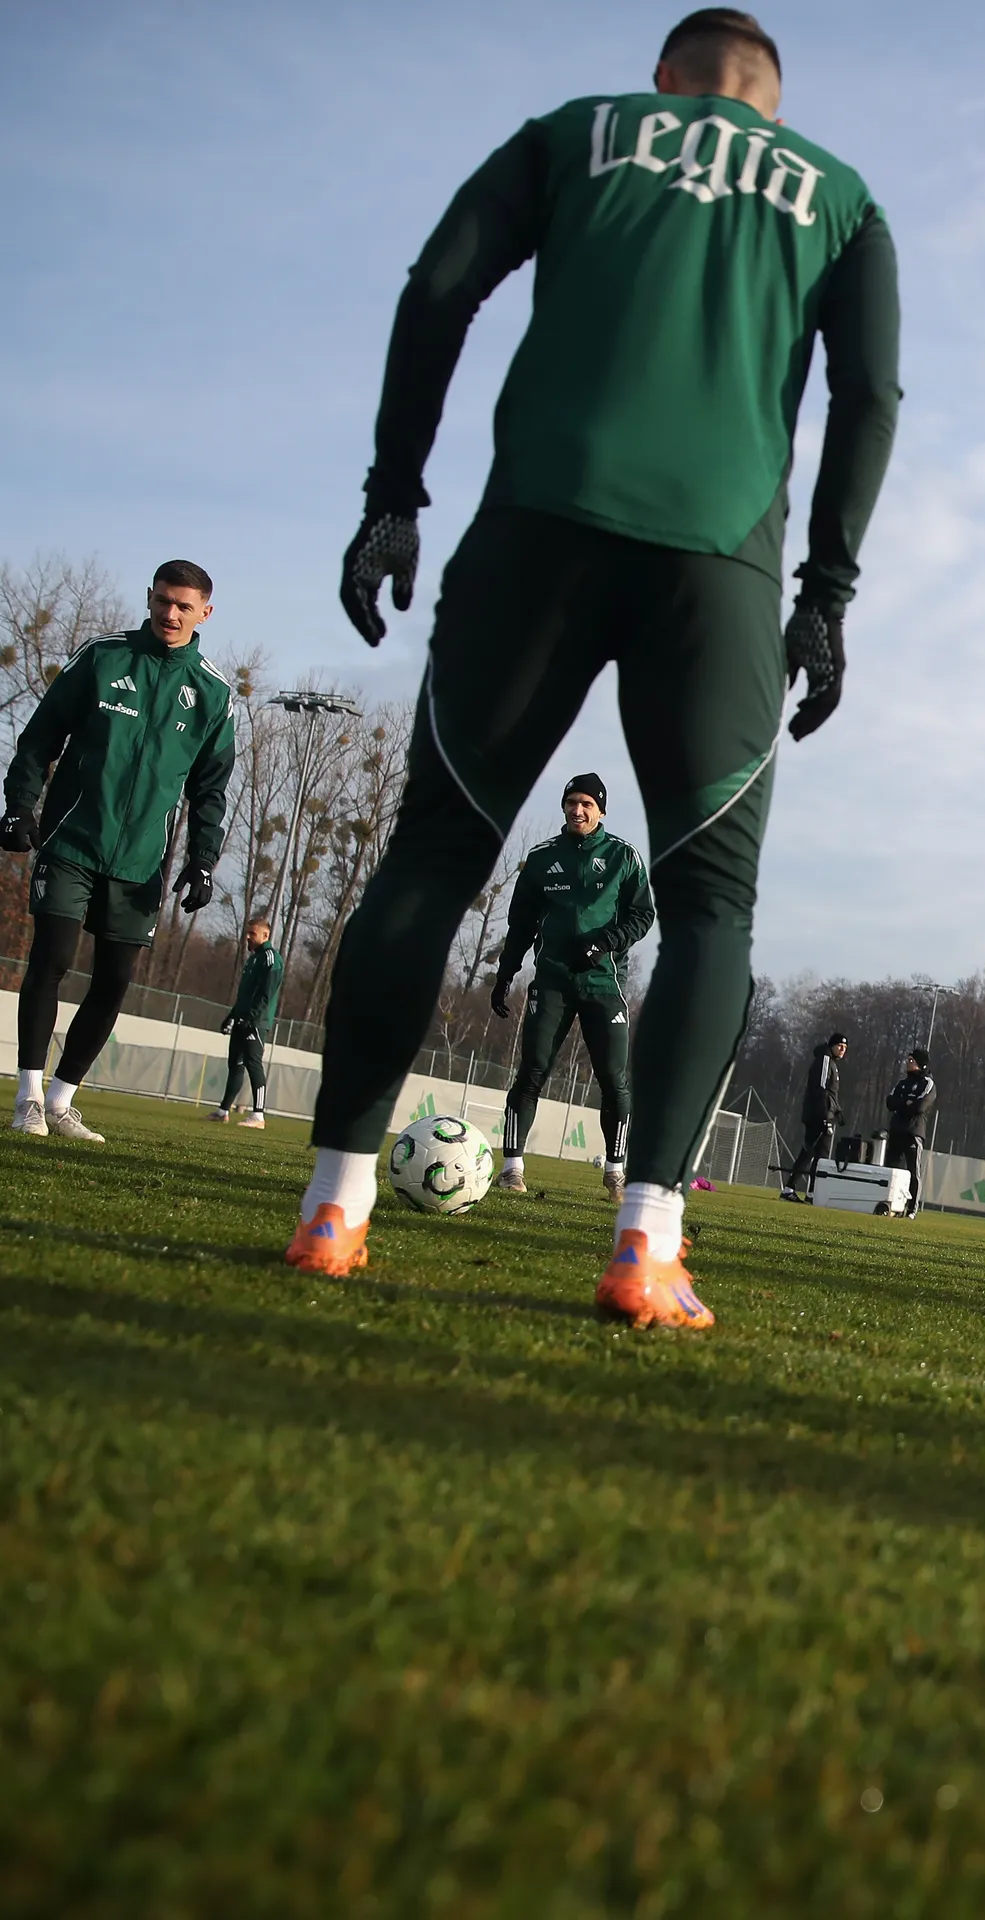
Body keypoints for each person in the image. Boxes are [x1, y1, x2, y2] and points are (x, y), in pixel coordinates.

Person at [287, 8, 900, 1330]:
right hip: (718, 568)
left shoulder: (577, 132)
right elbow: (869, 396)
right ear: (770, 107)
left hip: (534, 534)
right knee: (711, 912)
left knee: (435, 858)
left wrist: (395, 489)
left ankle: (334, 1207)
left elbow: (438, 285)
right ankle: (646, 1244)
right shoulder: (841, 199)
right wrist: (829, 594)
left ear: (665, 80)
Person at [0, 561, 234, 1143]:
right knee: (51, 960)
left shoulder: (213, 693)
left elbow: (210, 790)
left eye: (184, 606)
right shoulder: (102, 657)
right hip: (72, 841)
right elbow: (39, 737)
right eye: (163, 601)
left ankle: (61, 1100)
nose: (170, 614)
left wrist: (203, 860)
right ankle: (27, 1096)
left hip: (138, 865)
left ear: (206, 612)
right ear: (149, 598)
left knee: (113, 982)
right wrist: (20, 805)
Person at [491, 772, 654, 1200]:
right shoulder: (542, 857)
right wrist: (506, 971)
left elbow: (642, 915)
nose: (577, 810)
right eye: (571, 803)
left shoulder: (624, 856)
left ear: (601, 810)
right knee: (532, 1072)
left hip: (603, 984)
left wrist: (605, 941)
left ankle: (615, 1173)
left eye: (586, 804)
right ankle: (512, 1169)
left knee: (614, 1080)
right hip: (552, 983)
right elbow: (521, 923)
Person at [209, 919, 285, 1129]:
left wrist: (251, 1017)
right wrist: (232, 1016)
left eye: (253, 933)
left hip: (256, 1022)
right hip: (242, 1020)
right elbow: (245, 995)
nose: (248, 937)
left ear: (265, 936)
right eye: (247, 933)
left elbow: (265, 995)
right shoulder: (253, 960)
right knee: (235, 1064)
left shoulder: (271, 958)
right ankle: (223, 1111)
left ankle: (258, 1116)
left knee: (253, 1063)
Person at [781, 1032, 848, 1201]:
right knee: (813, 1152)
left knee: (816, 1154)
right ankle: (792, 1189)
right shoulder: (825, 1060)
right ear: (832, 1045)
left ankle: (809, 1192)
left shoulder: (832, 1062)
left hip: (825, 1114)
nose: (842, 1050)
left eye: (845, 1047)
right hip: (819, 1115)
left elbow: (831, 1093)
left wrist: (837, 1111)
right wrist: (824, 1115)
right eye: (840, 1046)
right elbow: (820, 1089)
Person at [884, 1046, 935, 1216]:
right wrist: (905, 1103)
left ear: (920, 1064)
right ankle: (890, 1204)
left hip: (913, 1132)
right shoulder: (902, 1083)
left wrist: (905, 1104)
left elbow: (920, 1107)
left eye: (911, 1060)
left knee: (913, 1172)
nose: (908, 1063)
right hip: (896, 1130)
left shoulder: (927, 1083)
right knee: (891, 1169)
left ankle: (911, 1209)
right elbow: (890, 1102)